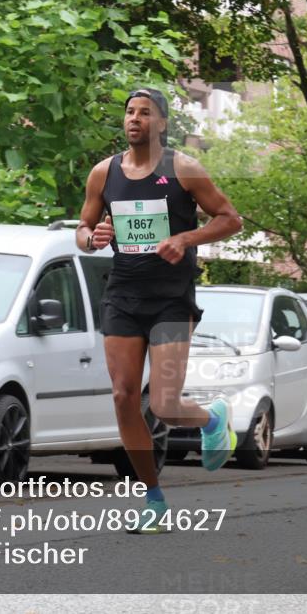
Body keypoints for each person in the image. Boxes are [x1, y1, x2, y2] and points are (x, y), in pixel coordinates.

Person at [76, 88, 243, 533]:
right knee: (124, 397)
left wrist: (185, 239)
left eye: (145, 113)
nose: (134, 119)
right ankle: (153, 499)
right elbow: (83, 226)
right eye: (130, 112)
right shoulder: (103, 173)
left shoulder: (183, 169)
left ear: (162, 123)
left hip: (171, 299)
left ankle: (213, 419)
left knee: (166, 404)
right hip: (124, 295)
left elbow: (230, 218)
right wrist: (91, 238)